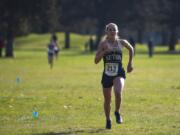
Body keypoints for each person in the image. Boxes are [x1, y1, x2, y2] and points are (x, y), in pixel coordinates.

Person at [94, 23, 134, 129]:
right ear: (107, 32)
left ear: (117, 31)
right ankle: (108, 119)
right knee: (107, 100)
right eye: (110, 30)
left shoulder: (122, 42)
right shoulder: (103, 44)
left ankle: (117, 112)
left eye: (114, 30)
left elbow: (131, 49)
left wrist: (130, 63)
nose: (112, 31)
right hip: (107, 75)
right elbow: (96, 60)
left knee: (118, 92)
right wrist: (104, 52)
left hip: (119, 73)